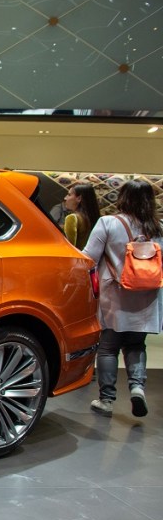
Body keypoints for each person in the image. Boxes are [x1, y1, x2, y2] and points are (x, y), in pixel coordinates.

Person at [82, 178, 163, 418]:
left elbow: (89, 257)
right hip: (148, 296)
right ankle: (137, 388)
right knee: (136, 344)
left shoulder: (108, 223)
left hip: (115, 295)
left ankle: (106, 400)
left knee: (108, 348)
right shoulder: (158, 227)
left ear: (123, 197)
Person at [62, 182, 100, 249]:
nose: (65, 198)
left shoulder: (72, 218)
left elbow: (68, 248)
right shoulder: (94, 218)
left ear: (79, 198)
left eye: (69, 195)